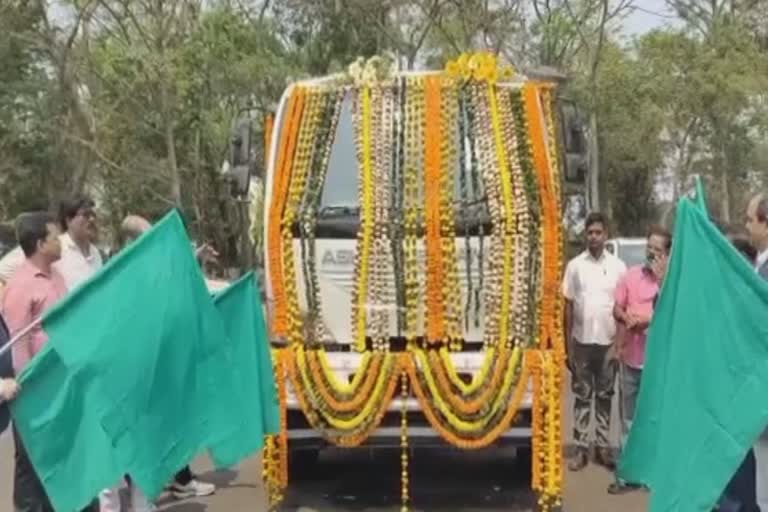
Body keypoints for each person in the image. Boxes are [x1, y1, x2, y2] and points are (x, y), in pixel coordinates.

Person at [119, 214, 216, 501]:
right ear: (134, 241)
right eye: (149, 237)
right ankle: (157, 482)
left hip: (162, 359)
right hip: (143, 363)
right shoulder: (128, 270)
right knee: (151, 425)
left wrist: (195, 258)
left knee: (169, 420)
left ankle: (176, 479)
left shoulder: (148, 265)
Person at [2, 211, 67, 512]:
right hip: (33, 389)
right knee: (30, 461)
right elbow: (18, 342)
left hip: (62, 383)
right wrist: (25, 385)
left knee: (56, 454)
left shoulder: (57, 277)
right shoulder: (21, 285)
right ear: (41, 243)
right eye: (54, 236)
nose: (60, 241)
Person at [607, 225, 671, 494]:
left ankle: (651, 474)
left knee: (655, 418)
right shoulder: (631, 276)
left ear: (668, 254)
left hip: (658, 364)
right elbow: (616, 308)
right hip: (631, 358)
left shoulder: (672, 282)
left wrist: (648, 319)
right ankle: (628, 473)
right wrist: (626, 318)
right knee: (629, 419)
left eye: (658, 250)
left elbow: (674, 314)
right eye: (650, 248)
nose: (652, 254)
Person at [562, 212, 627, 472]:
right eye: (590, 232)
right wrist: (567, 346)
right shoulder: (575, 266)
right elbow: (567, 307)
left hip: (608, 342)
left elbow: (622, 306)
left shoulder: (618, 267)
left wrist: (619, 346)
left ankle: (602, 448)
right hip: (581, 342)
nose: (594, 237)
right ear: (585, 235)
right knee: (581, 396)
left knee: (604, 396)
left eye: (598, 232)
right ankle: (580, 448)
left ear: (606, 235)